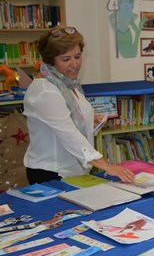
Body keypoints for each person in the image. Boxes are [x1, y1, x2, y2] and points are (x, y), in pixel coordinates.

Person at [23, 26, 135, 184]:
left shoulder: (67, 83)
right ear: (50, 60)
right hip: (51, 173)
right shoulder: (45, 91)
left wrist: (91, 120)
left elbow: (73, 117)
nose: (74, 64)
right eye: (66, 59)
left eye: (77, 56)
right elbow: (70, 136)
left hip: (72, 169)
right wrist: (107, 166)